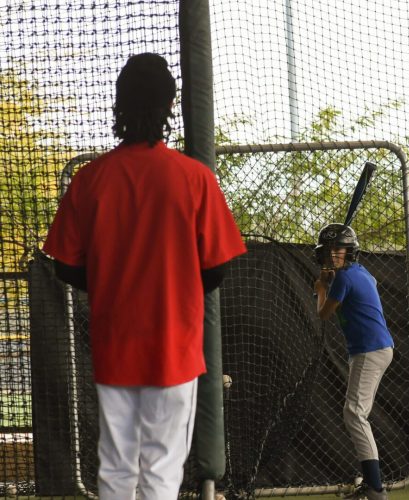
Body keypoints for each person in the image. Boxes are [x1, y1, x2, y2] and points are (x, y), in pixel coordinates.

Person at [42, 53, 247, 500]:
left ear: (119, 106)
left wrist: (117, 284)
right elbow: (217, 269)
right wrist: (175, 290)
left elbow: (64, 265)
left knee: (116, 467)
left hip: (116, 342)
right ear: (170, 105)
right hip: (174, 345)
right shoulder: (195, 178)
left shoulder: (90, 179)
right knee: (161, 470)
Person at [313, 223, 394, 500]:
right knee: (356, 413)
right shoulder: (359, 274)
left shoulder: (345, 278)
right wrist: (327, 284)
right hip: (375, 349)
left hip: (369, 350)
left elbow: (323, 314)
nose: (333, 255)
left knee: (354, 414)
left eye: (339, 250)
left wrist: (322, 286)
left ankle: (375, 488)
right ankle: (372, 486)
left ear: (349, 252)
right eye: (329, 251)